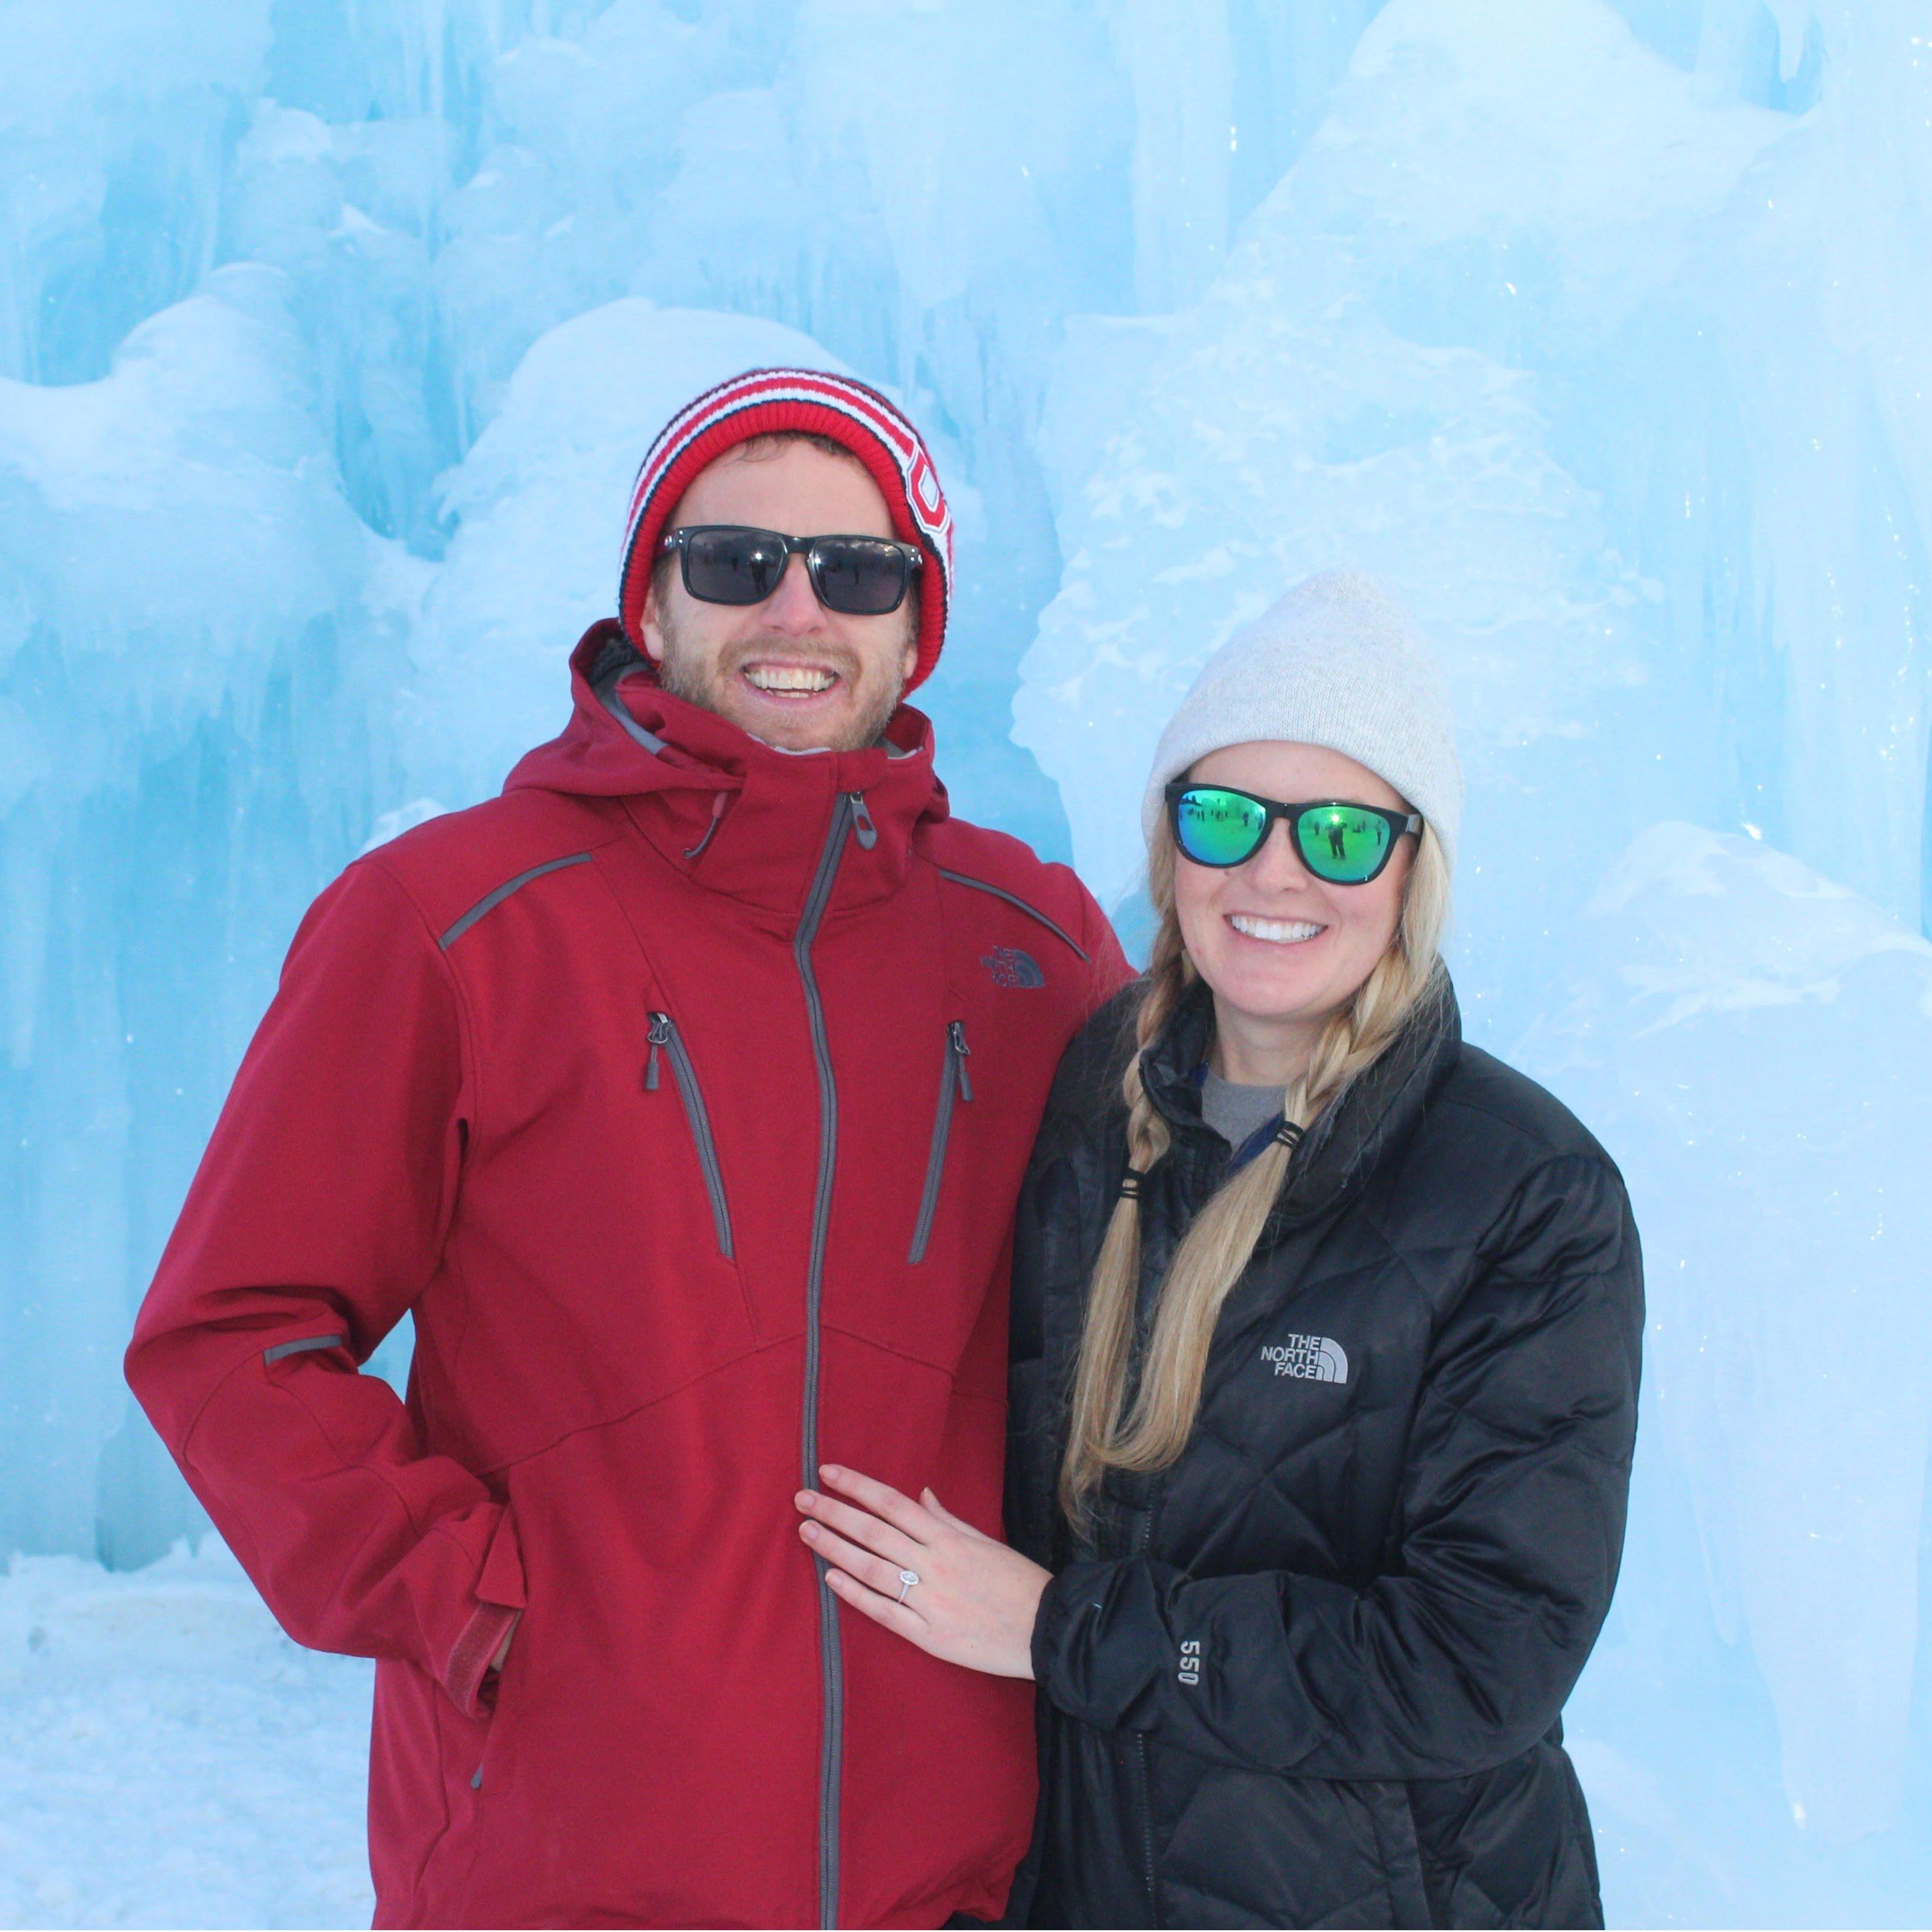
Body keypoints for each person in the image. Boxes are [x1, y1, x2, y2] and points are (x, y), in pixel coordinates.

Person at [125, 366, 1132, 1930]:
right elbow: (228, 1334)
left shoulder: (1034, 945)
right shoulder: (451, 920)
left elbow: (1189, 1318)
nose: (796, 611)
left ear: (916, 626)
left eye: (855, 573)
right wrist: (480, 1604)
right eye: (735, 562)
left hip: (948, 1884)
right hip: (556, 1875)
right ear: (648, 602)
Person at [792, 569, 1645, 1928]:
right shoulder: (1090, 1108)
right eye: (1226, 816)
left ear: (1414, 866)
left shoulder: (1524, 1194)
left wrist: (1064, 1629)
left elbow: (1480, 1662)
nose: (1275, 872)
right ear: (1168, 846)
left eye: (1343, 836)